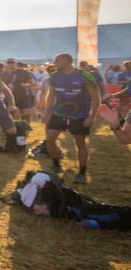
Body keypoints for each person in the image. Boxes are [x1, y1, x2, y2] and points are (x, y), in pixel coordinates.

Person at [42, 53, 100, 184]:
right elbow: (51, 95)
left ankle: (82, 173)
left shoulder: (84, 75)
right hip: (58, 113)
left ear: (66, 62)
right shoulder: (54, 76)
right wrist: (47, 111)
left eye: (57, 61)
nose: (54, 63)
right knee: (50, 139)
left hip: (79, 115)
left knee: (80, 143)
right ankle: (56, 165)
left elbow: (96, 97)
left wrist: (92, 116)